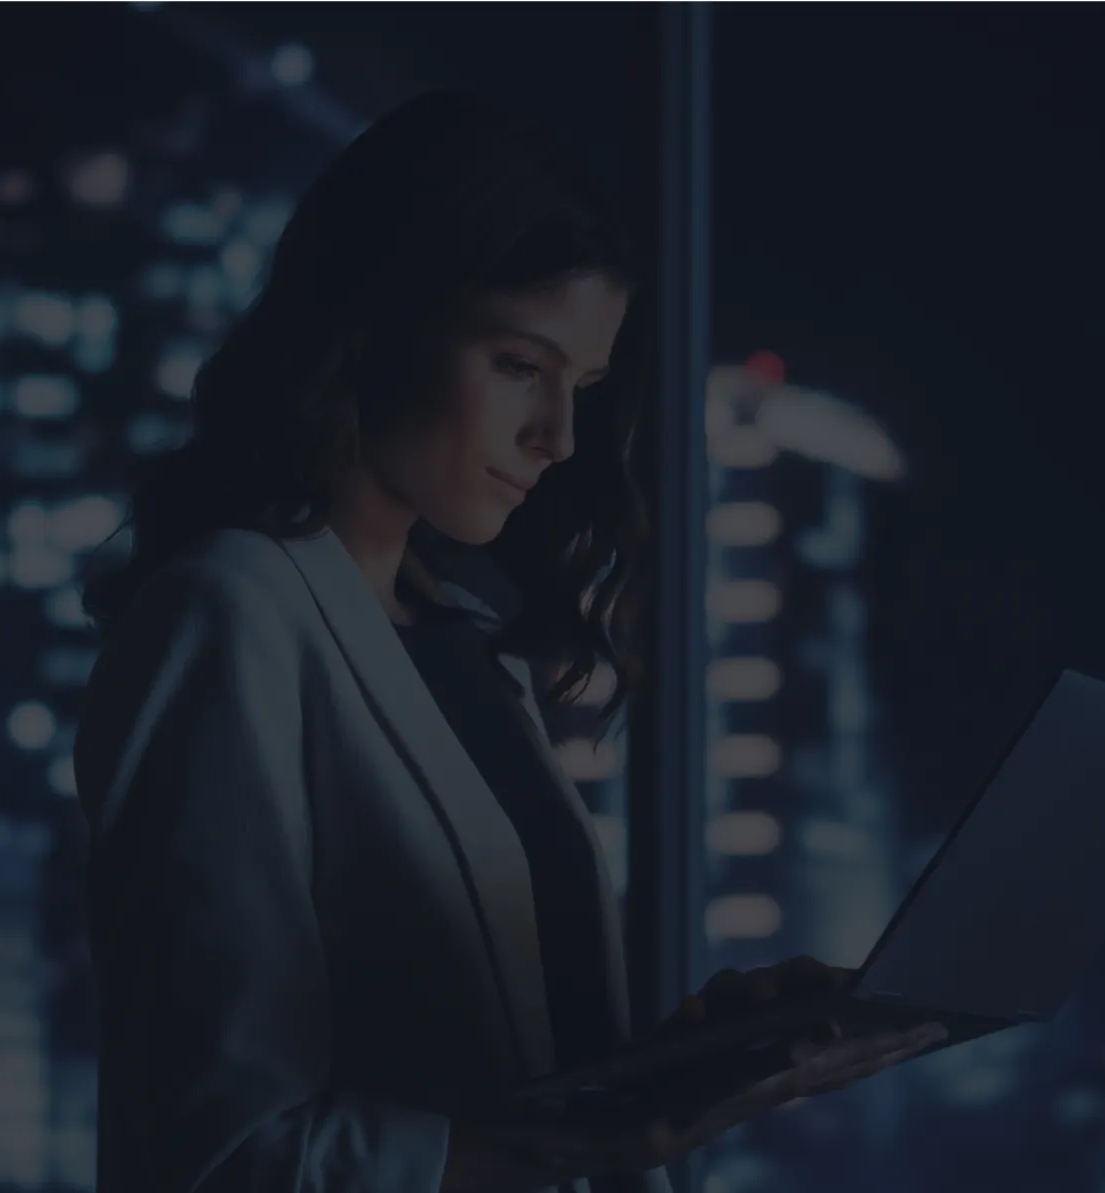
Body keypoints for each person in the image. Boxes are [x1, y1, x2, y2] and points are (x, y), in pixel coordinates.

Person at [73, 90, 940, 1193]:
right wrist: (571, 1144)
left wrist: (695, 1053)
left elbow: (501, 1072)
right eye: (519, 366)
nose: (560, 437)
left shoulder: (471, 650)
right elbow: (218, 1153)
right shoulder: (228, 610)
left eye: (579, 385)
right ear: (376, 321)